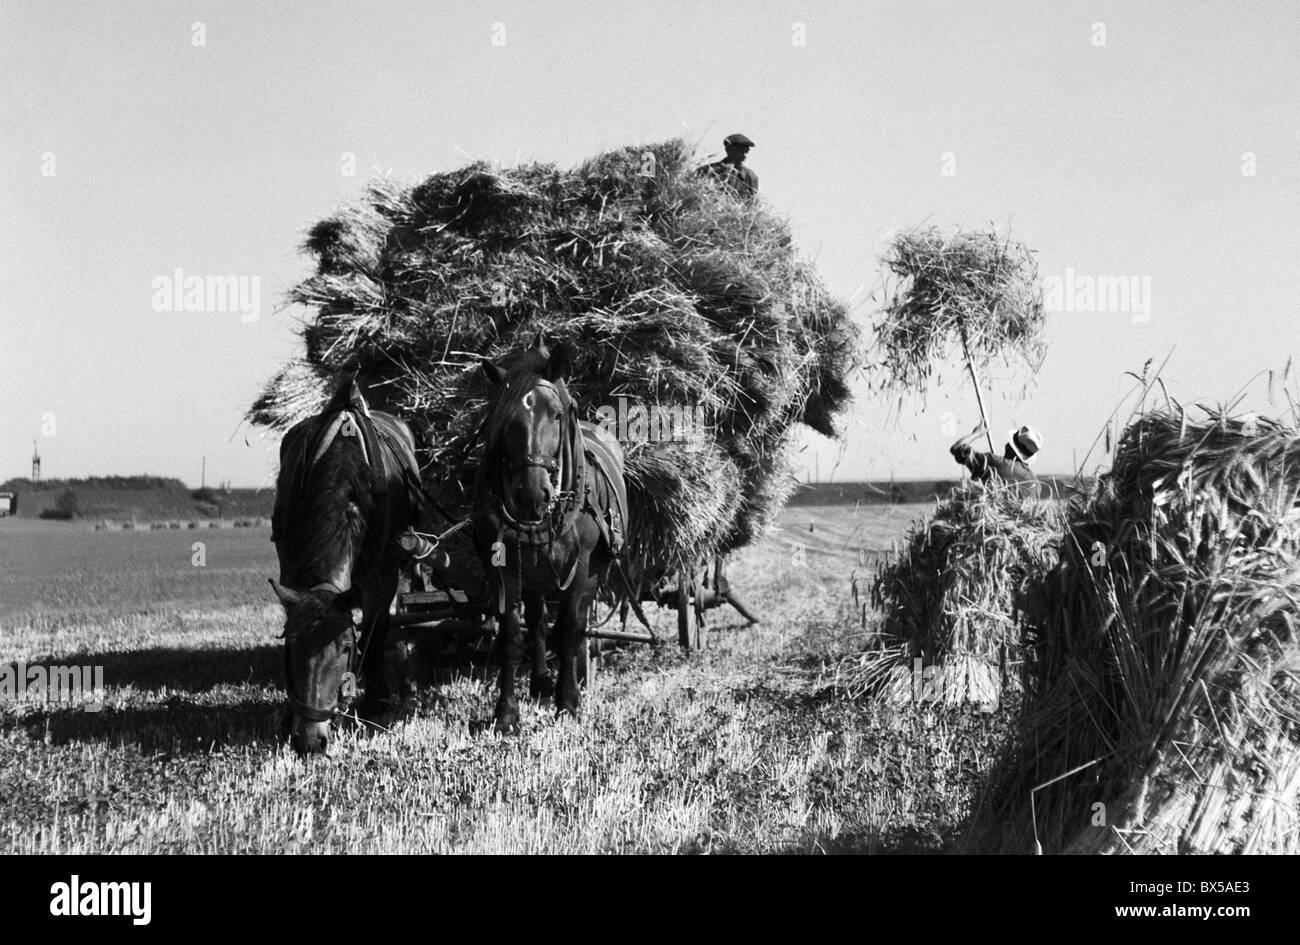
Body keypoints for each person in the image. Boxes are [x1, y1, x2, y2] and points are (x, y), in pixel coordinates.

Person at [950, 423, 1043, 496]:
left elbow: (957, 448)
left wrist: (977, 433)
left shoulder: (994, 462)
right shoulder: (1036, 485)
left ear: (1010, 446)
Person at [699, 133, 758, 199]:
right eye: (740, 151)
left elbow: (752, 204)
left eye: (747, 151)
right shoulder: (707, 170)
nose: (744, 155)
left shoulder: (750, 177)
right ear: (728, 150)